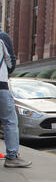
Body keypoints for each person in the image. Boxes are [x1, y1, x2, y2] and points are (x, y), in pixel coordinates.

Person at [0, 30, 32, 168]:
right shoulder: (2, 37)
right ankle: (12, 157)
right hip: (0, 86)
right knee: (10, 121)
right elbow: (11, 62)